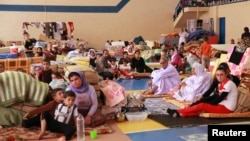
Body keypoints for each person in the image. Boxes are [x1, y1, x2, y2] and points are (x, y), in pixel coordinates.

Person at [167, 65, 238, 117]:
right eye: (217, 75)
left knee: (202, 106)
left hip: (227, 108)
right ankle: (180, 114)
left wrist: (206, 104)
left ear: (226, 75)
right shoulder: (221, 84)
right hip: (221, 105)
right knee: (201, 107)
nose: (219, 77)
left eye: (221, 75)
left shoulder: (229, 84)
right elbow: (214, 96)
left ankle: (177, 111)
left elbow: (219, 99)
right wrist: (203, 100)